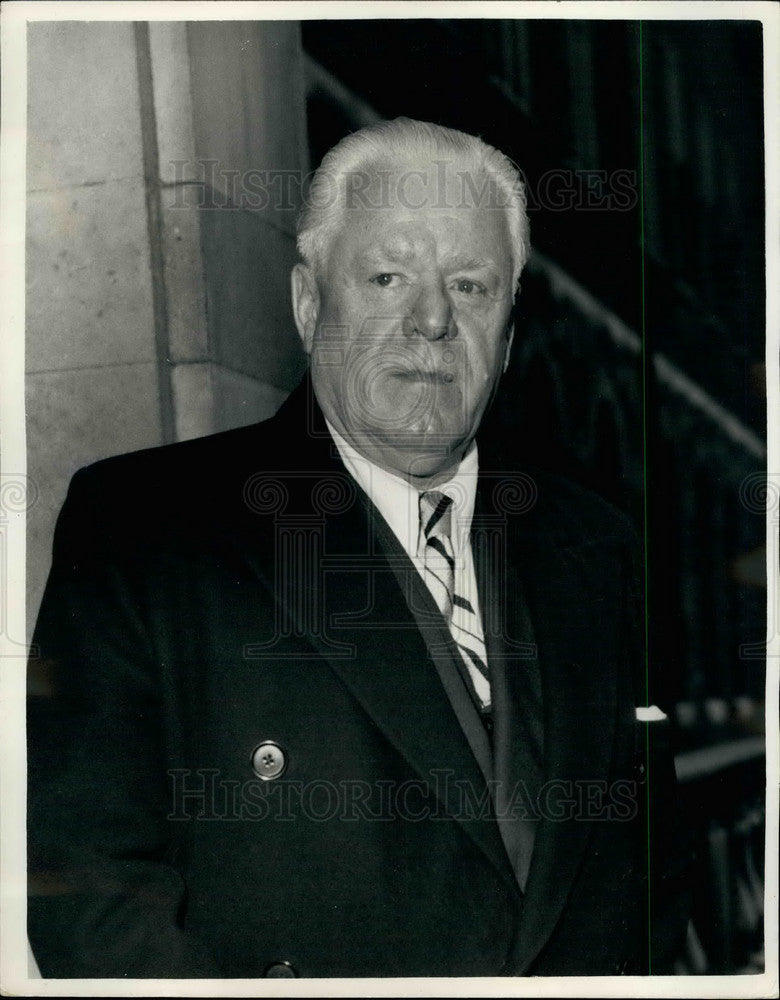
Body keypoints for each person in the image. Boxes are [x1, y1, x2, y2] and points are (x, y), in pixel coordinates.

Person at [27, 117, 689, 979]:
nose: (432, 321)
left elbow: (651, 878)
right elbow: (90, 894)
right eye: (386, 276)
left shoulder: (595, 547)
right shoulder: (149, 530)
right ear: (309, 306)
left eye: (472, 285)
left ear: (512, 332)